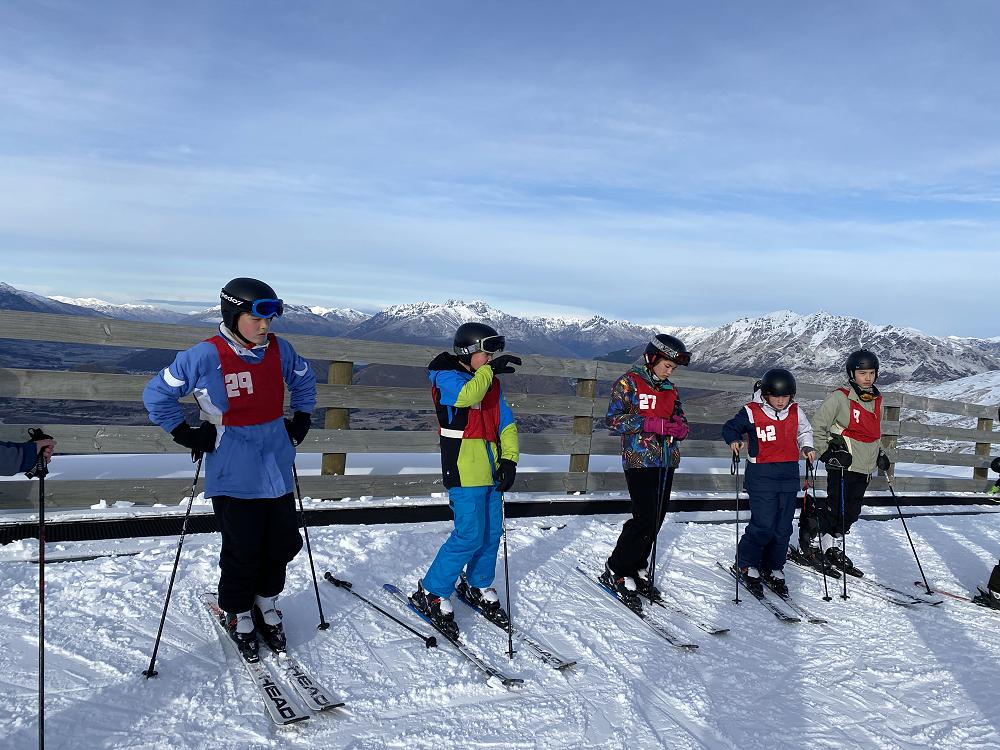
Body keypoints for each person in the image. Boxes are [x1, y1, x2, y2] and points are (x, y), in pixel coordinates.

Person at [143, 277, 316, 662]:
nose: (265, 326)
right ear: (234, 314)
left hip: (276, 461)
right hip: (233, 464)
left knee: (284, 542)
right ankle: (237, 610)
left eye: (270, 318)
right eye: (257, 318)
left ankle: (265, 599)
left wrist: (302, 418)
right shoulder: (205, 355)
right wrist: (184, 433)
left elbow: (305, 380)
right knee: (243, 548)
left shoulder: (280, 350)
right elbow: (157, 393)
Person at [410, 322, 521, 638]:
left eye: (492, 355)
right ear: (468, 351)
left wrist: (509, 460)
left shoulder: (489, 382)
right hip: (463, 469)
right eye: (486, 353)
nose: (490, 359)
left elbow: (506, 423)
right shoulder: (446, 377)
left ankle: (478, 583)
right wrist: (488, 372)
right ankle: (431, 590)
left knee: (492, 532)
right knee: (469, 535)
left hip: (491, 470)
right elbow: (465, 395)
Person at [602, 334, 692, 612]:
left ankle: (638, 565)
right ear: (652, 358)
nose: (669, 372)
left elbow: (679, 417)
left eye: (673, 368)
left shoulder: (670, 389)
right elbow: (613, 420)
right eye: (667, 366)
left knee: (657, 517)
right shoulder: (628, 383)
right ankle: (617, 567)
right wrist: (648, 423)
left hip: (666, 458)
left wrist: (680, 427)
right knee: (644, 517)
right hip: (639, 459)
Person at [722, 369, 815, 597]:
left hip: (788, 475)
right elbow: (731, 427)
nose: (781, 401)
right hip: (761, 476)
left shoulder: (795, 411)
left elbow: (804, 431)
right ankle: (747, 563)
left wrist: (807, 446)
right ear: (765, 394)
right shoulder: (752, 411)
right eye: (776, 396)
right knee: (763, 524)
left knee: (783, 527)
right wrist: (734, 439)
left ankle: (774, 566)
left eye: (785, 396)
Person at [803, 349, 889, 576]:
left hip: (865, 466)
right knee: (835, 508)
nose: (867, 378)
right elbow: (818, 425)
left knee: (851, 512)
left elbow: (873, 432)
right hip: (843, 463)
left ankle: (832, 546)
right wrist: (825, 452)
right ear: (852, 374)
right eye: (862, 373)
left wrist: (880, 453)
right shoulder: (840, 398)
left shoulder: (877, 400)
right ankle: (812, 541)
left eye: (871, 373)